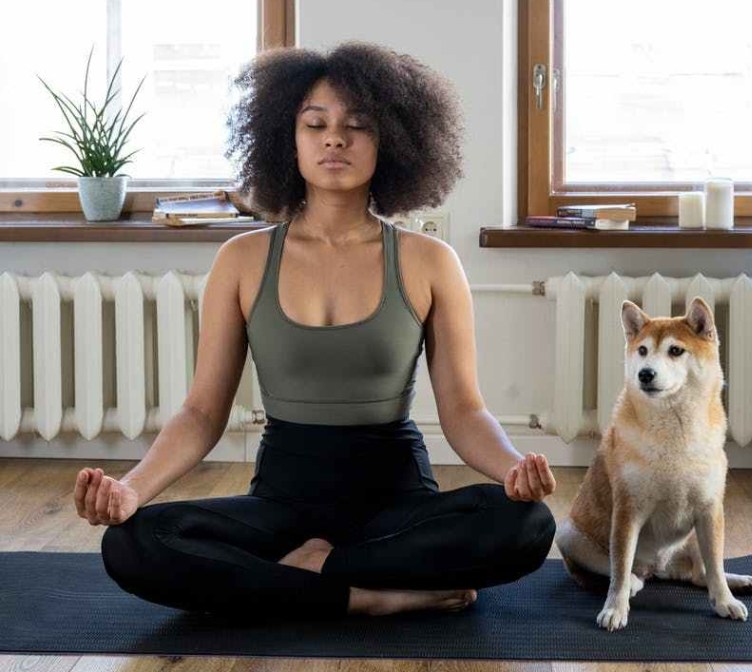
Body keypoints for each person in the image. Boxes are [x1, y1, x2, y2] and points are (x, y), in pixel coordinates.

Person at [74, 41, 557, 620]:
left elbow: (464, 412)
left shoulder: (430, 261)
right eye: (316, 124)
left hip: (396, 504)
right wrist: (130, 489)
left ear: (392, 141)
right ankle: (365, 594)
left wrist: (512, 471)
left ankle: (311, 575)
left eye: (357, 125)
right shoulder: (241, 259)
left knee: (528, 524)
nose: (335, 139)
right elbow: (202, 414)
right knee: (133, 543)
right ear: (289, 139)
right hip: (282, 504)